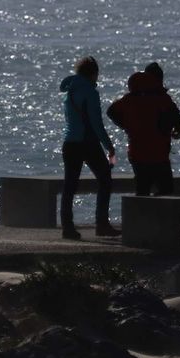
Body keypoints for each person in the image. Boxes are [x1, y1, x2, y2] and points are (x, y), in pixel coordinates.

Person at [58, 56, 117, 240]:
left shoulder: (69, 92)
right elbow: (96, 124)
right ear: (93, 74)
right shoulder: (90, 92)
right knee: (105, 179)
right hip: (87, 143)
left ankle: (67, 228)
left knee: (70, 186)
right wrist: (110, 147)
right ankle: (102, 224)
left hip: (69, 143)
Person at [107, 61, 180, 196]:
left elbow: (111, 112)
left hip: (137, 154)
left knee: (142, 191)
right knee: (166, 191)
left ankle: (140, 216)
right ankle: (160, 217)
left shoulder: (130, 99)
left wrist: (127, 126)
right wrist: (174, 132)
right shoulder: (163, 100)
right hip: (159, 155)